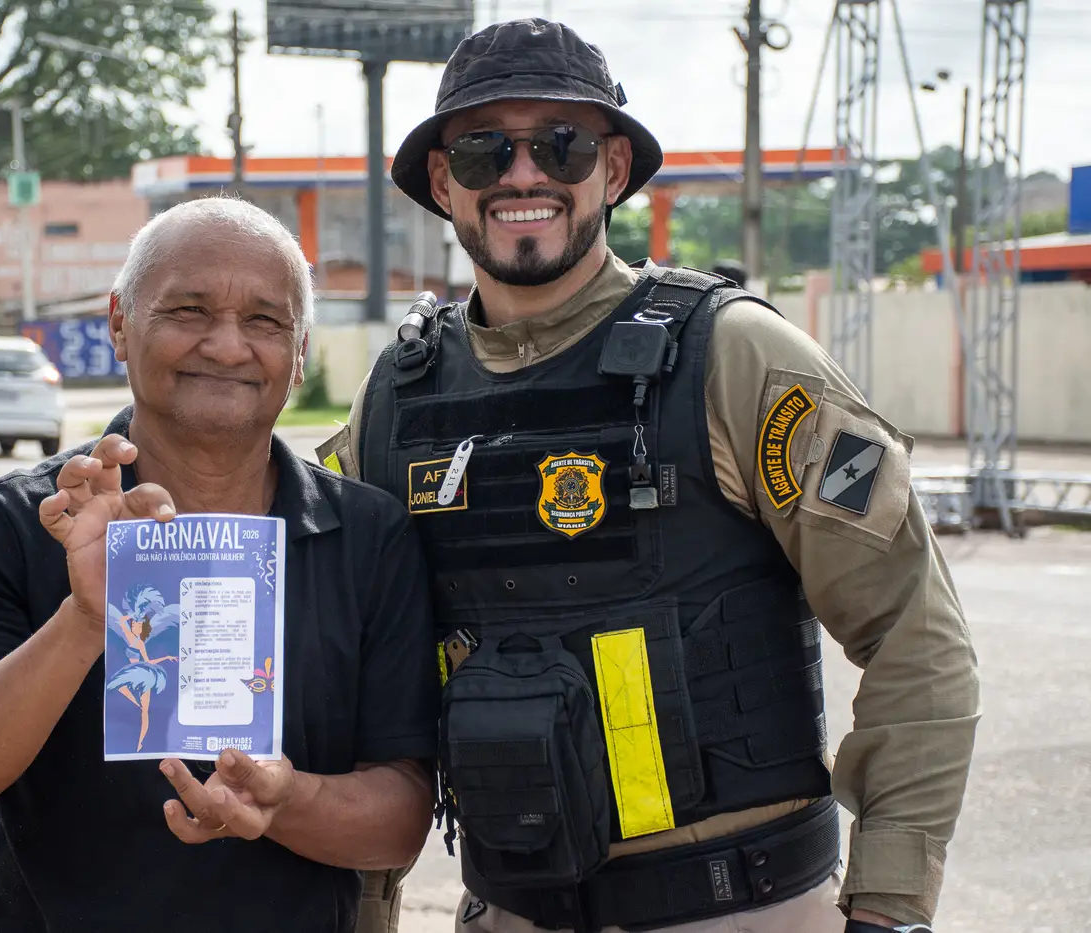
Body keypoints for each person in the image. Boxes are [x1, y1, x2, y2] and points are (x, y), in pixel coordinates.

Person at [317, 18, 977, 933]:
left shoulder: (734, 355)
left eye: (563, 145)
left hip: (739, 908)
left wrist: (890, 905)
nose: (521, 175)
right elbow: (355, 688)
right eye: (482, 150)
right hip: (510, 908)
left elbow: (914, 630)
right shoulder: (394, 404)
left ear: (614, 168)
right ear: (442, 181)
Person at [0, 196, 441, 933]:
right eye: (188, 310)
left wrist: (283, 801)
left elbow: (400, 819)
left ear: (300, 351)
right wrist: (86, 619)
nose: (228, 346)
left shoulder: (369, 538)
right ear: (120, 322)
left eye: (265, 321)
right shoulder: (17, 522)